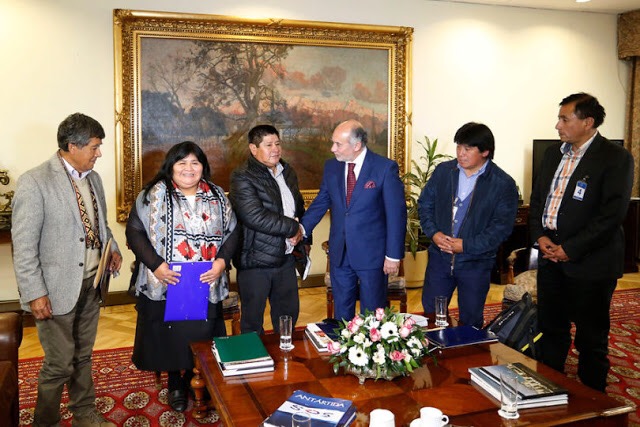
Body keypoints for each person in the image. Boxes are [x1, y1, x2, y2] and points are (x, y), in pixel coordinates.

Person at [12, 113, 123, 427]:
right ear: (72, 146)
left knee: (83, 355)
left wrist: (112, 247)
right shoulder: (35, 182)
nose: (99, 153)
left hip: (91, 284)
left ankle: (84, 413)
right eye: (94, 147)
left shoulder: (93, 178)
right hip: (55, 290)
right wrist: (35, 293)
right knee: (59, 363)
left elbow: (100, 225)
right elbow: (24, 246)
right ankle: (45, 421)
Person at [529, 93, 634, 392]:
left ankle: (593, 400)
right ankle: (548, 389)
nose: (557, 125)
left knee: (591, 338)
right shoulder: (553, 154)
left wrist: (570, 249)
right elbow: (537, 200)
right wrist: (540, 236)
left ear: (588, 122)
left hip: (591, 263)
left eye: (564, 119)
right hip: (551, 256)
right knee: (551, 330)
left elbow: (611, 215)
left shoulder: (615, 158)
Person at [126, 141, 238, 412]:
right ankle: (176, 381)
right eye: (182, 162)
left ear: (203, 167)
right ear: (171, 166)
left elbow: (234, 231)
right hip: (168, 281)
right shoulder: (152, 195)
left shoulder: (218, 196)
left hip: (206, 280)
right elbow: (134, 232)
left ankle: (197, 376)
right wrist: (156, 265)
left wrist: (222, 261)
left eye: (195, 163)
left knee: (202, 332)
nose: (189, 168)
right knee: (172, 334)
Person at [300, 119, 406, 321]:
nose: (332, 149)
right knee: (342, 314)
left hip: (372, 255)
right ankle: (343, 342)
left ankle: (371, 342)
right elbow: (321, 201)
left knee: (373, 315)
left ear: (356, 145)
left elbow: (396, 214)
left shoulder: (384, 168)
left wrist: (393, 255)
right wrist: (301, 229)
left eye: (338, 144)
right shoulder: (332, 167)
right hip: (340, 253)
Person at [418, 122, 518, 329]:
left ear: (485, 151)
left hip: (476, 263)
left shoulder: (502, 183)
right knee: (431, 315)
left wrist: (466, 245)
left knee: (470, 322)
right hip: (439, 259)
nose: (460, 153)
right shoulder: (444, 172)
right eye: (458, 147)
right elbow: (425, 205)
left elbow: (501, 228)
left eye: (468, 148)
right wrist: (434, 233)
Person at [229, 124, 305, 334]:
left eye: (277, 144)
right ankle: (253, 355)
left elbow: (298, 207)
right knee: (252, 323)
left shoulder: (288, 172)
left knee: (288, 318)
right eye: (269, 145)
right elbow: (254, 216)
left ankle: (284, 354)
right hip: (256, 261)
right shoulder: (242, 176)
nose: (275, 149)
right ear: (253, 149)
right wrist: (294, 227)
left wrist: (303, 234)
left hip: (286, 258)